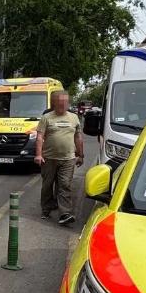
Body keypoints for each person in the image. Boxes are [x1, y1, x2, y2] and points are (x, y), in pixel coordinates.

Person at [35, 90, 84, 226]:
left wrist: (80, 154)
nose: (63, 105)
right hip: (49, 158)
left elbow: (78, 137)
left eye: (65, 102)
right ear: (54, 103)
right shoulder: (47, 118)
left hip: (68, 159)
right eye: (60, 102)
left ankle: (65, 213)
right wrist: (38, 155)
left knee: (65, 185)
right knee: (47, 185)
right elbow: (40, 137)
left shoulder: (74, 118)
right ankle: (46, 208)